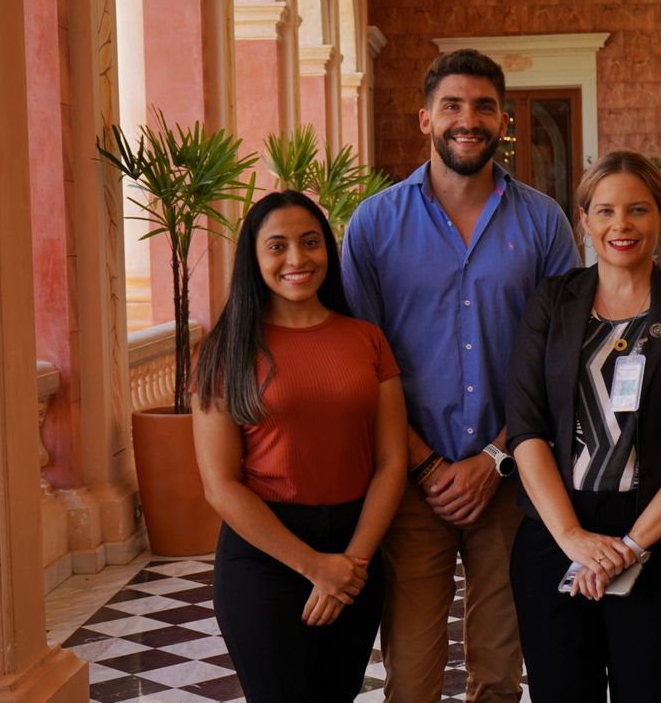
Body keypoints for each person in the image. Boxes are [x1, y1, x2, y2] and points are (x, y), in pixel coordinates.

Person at [342, 48, 579, 702]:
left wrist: (495, 457)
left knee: (499, 676)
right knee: (411, 679)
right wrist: (425, 467)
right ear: (425, 118)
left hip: (511, 482)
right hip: (411, 484)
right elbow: (362, 362)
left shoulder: (543, 223)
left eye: (482, 107)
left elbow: (562, 359)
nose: (466, 120)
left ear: (504, 120)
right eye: (452, 105)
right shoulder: (374, 225)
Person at [505, 150, 661, 702]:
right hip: (555, 539)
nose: (621, 225)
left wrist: (629, 546)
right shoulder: (551, 305)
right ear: (584, 220)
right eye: (605, 211)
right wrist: (572, 539)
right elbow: (526, 427)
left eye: (637, 209)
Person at [192, 191, 408, 702]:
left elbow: (392, 462)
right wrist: (315, 567)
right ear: (255, 257)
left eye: (310, 242)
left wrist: (349, 564)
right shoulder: (227, 350)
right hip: (265, 555)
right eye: (278, 246)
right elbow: (219, 485)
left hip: (356, 547)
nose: (297, 259)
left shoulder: (367, 339)